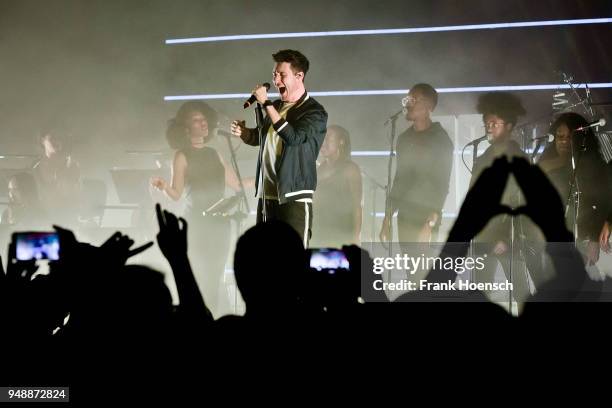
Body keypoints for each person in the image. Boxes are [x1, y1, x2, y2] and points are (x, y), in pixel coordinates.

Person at [151, 101, 244, 317]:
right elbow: (176, 194)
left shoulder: (215, 153)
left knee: (217, 274)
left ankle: (214, 316)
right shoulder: (182, 155)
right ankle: (201, 320)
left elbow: (237, 184)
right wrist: (163, 186)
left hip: (220, 222)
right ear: (185, 127)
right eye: (196, 120)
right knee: (201, 274)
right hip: (197, 224)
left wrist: (269, 178)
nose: (202, 123)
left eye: (204, 119)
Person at [230, 49, 328, 247]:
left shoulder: (314, 112)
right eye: (274, 75)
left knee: (292, 262)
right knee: (266, 261)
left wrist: (266, 103)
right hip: (267, 196)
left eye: (282, 75)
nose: (276, 80)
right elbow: (262, 138)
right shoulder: (275, 106)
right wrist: (244, 133)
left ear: (299, 76)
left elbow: (293, 137)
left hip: (293, 198)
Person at [468, 91, 533, 304]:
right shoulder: (481, 159)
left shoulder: (520, 159)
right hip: (483, 236)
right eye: (487, 123)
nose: (489, 127)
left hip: (509, 237)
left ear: (509, 126)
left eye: (494, 123)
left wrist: (505, 236)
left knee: (520, 292)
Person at [379, 83, 454, 244]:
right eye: (408, 98)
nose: (408, 103)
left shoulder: (440, 140)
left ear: (429, 106)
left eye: (414, 99)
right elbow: (399, 180)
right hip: (405, 217)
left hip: (427, 217)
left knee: (425, 268)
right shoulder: (404, 139)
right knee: (410, 268)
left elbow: (442, 184)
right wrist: (387, 218)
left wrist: (430, 223)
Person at [538, 112, 611, 266]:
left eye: (569, 137)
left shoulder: (593, 167)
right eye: (560, 136)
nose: (564, 141)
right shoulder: (547, 164)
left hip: (584, 238)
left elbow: (602, 202)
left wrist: (594, 237)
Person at [311, 125, 362, 247]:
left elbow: (357, 206)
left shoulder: (350, 169)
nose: (323, 142)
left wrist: (355, 237)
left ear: (341, 142)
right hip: (319, 233)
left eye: (328, 138)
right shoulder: (319, 169)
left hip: (342, 234)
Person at [32, 128, 81, 226]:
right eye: (52, 138)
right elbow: (38, 196)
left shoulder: (72, 164)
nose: (57, 141)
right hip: (44, 218)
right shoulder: (36, 167)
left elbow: (75, 193)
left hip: (68, 217)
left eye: (59, 138)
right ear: (42, 141)